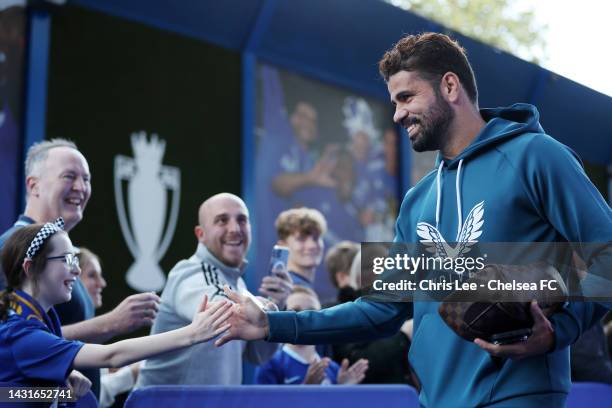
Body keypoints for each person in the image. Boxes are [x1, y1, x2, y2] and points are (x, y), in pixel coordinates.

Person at [216, 32, 612, 407]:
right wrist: (272, 323)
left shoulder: (536, 155)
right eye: (393, 102)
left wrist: (561, 330)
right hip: (434, 399)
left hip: (518, 395)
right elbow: (380, 309)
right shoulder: (416, 199)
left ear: (450, 86)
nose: (397, 115)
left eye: (406, 97)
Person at [0, 138, 161, 398]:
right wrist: (110, 324)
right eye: (69, 176)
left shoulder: (64, 257)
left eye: (86, 179)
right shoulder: (10, 248)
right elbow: (14, 340)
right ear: (34, 185)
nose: (81, 188)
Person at [0, 221, 232, 398]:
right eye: (67, 260)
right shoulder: (21, 333)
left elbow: (10, 395)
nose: (76, 271)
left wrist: (62, 391)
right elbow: (112, 355)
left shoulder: (39, 318)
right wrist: (192, 333)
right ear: (30, 268)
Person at [136, 193, 291, 387]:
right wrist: (270, 311)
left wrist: (276, 304)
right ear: (201, 234)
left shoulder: (238, 285)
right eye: (222, 220)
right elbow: (225, 314)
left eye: (242, 220)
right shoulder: (189, 272)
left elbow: (257, 355)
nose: (235, 229)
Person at [256, 286, 368, 385]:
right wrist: (307, 389)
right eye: (295, 311)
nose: (305, 317)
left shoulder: (333, 368)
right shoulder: (271, 364)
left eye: (312, 312)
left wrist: (342, 390)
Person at [77, 248, 141, 408]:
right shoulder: (33, 335)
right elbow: (72, 397)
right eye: (91, 275)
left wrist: (106, 371)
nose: (102, 283)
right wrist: (129, 374)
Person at [274, 207, 327, 289]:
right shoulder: (286, 290)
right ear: (283, 245)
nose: (312, 245)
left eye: (316, 238)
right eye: (301, 239)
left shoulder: (292, 286)